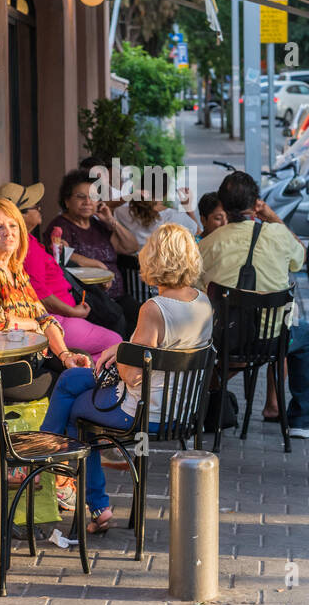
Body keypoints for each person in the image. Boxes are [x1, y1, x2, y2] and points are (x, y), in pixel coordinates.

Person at [40, 224, 212, 531]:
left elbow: (132, 377)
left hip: (143, 410)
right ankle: (51, 463)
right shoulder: (203, 302)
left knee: (74, 408)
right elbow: (167, 347)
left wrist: (121, 355)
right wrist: (122, 347)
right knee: (71, 381)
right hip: (183, 410)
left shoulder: (154, 308)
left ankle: (74, 487)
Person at [198, 170, 309, 438]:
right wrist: (274, 218)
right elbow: (299, 259)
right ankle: (301, 417)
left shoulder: (207, 244)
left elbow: (197, 289)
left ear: (223, 205)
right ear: (256, 204)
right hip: (273, 342)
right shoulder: (278, 235)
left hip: (223, 341)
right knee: (305, 335)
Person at [0, 196, 92, 395]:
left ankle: (64, 426)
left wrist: (65, 355)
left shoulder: (15, 269)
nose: (8, 232)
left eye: (13, 225)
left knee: (80, 364)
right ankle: (60, 426)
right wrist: (30, 324)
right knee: (66, 382)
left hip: (23, 361)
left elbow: (44, 318)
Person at [0, 180, 122, 357]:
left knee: (98, 352)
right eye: (35, 206)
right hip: (57, 319)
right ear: (19, 215)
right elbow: (38, 293)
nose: (39, 208)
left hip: (60, 317)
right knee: (116, 343)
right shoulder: (24, 245)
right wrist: (73, 311)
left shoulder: (26, 241)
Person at [47, 169, 140, 334]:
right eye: (81, 197)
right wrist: (98, 265)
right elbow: (61, 256)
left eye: (93, 197)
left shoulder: (98, 225)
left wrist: (111, 221)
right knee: (121, 322)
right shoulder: (60, 226)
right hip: (90, 298)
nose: (88, 201)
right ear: (67, 201)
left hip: (118, 294)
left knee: (142, 316)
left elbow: (131, 246)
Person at [111, 172, 199, 251]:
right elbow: (199, 237)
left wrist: (132, 195)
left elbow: (101, 207)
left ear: (140, 187)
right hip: (160, 267)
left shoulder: (121, 212)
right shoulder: (177, 217)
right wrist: (188, 209)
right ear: (165, 194)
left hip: (127, 267)